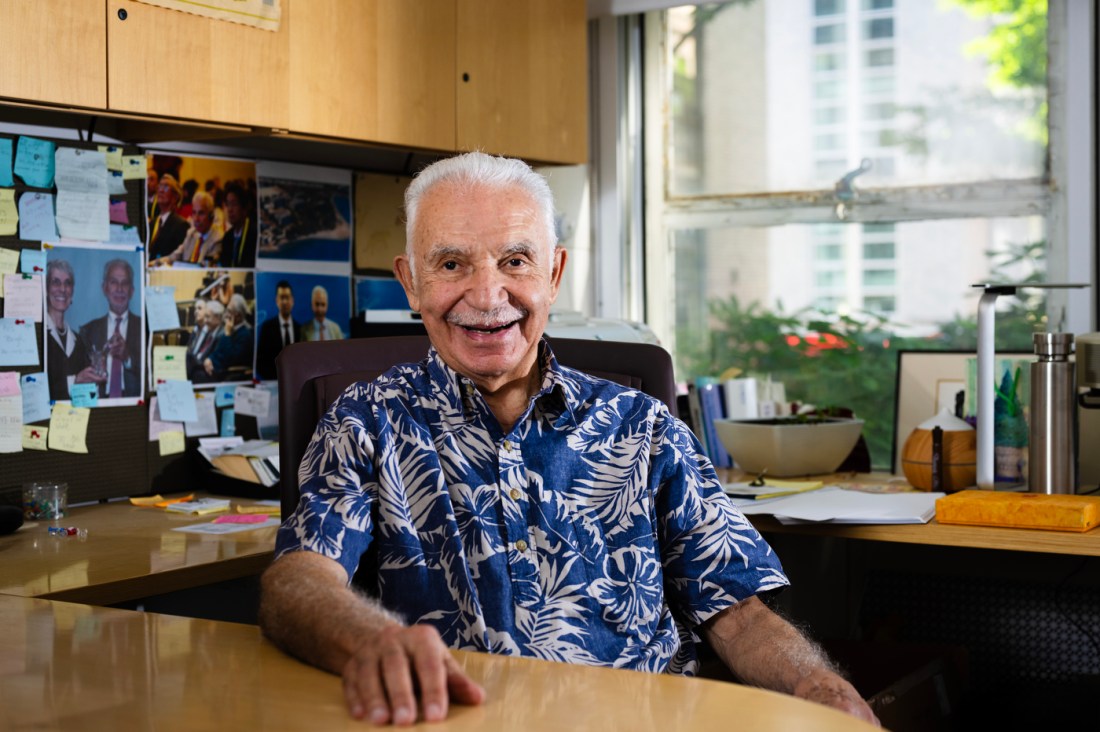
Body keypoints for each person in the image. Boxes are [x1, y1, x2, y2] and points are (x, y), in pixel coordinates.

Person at [259, 152, 878, 727]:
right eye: (451, 264)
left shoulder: (646, 426)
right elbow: (298, 582)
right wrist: (372, 640)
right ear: (411, 283)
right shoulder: (365, 420)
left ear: (553, 272)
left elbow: (738, 615)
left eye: (515, 261)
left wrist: (818, 687)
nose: (486, 296)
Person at [78, 259, 142, 399]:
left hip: (134, 405)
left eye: (124, 283)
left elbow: (153, 374)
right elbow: (80, 382)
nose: (119, 289)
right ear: (104, 288)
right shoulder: (87, 332)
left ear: (132, 291)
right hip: (99, 403)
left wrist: (128, 358)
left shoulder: (144, 328)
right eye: (113, 282)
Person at [44, 259, 88, 401]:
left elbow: (87, 396)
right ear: (46, 288)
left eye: (67, 283)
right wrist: (75, 381)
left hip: (74, 419)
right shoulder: (38, 336)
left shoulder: (79, 341)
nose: (62, 289)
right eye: (56, 282)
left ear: (72, 291)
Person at [150, 191, 224, 267]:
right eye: (194, 213)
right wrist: (153, 263)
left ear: (211, 216)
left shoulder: (218, 239)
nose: (196, 218)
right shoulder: (192, 233)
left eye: (201, 213)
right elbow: (173, 257)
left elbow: (206, 267)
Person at [202, 293, 254, 381]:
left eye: (229, 311)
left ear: (237, 315)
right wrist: (209, 359)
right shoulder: (231, 329)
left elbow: (231, 359)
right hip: (216, 369)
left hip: (228, 374)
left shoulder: (245, 334)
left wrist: (227, 335)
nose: (226, 314)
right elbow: (218, 351)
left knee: (197, 375)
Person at [255, 280, 301, 380]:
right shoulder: (267, 328)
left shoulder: (300, 329)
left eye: (287, 297)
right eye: (281, 297)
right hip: (273, 384)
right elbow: (260, 362)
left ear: (292, 300)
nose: (284, 302)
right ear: (277, 301)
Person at [147, 174, 190, 261]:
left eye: (166, 187)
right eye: (159, 187)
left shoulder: (181, 225)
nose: (161, 191)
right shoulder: (152, 223)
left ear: (175, 197)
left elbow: (179, 258)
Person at [217, 179, 258, 268]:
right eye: (227, 204)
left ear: (244, 207)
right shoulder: (227, 237)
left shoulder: (254, 235)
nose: (230, 210)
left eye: (234, 204)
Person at [189, 300, 225, 382]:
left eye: (208, 317)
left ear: (217, 317)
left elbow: (213, 361)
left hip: (211, 373)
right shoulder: (211, 332)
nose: (205, 321)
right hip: (200, 365)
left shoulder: (221, 335)